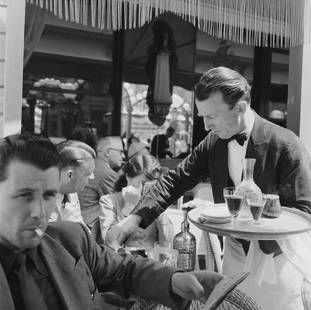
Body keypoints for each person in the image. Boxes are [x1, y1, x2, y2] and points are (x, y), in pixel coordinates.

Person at [108, 67, 311, 310]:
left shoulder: (286, 144)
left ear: (240, 108)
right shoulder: (214, 142)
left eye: (211, 117)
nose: (205, 126)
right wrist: (134, 218)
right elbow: (177, 180)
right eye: (202, 116)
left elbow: (304, 211)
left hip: (276, 259)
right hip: (235, 254)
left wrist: (256, 211)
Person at [0, 133, 227, 310]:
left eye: (49, 195)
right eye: (24, 195)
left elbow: (125, 269)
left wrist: (174, 280)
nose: (39, 212)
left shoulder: (70, 239)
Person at [100, 154, 174, 249]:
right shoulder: (109, 201)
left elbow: (168, 245)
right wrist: (128, 209)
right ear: (127, 177)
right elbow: (110, 243)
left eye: (151, 187)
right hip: (122, 260)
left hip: (151, 259)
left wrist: (161, 214)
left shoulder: (156, 199)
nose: (145, 191)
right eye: (141, 183)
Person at [78, 136, 125, 229]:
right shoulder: (107, 173)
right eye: (121, 152)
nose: (123, 156)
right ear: (108, 152)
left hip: (82, 220)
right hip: (93, 226)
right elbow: (118, 206)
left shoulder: (94, 165)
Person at [49, 140, 96, 224]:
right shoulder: (39, 197)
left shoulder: (71, 192)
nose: (92, 177)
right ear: (69, 175)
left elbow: (81, 230)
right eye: (88, 173)